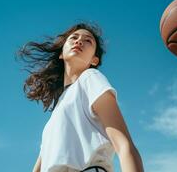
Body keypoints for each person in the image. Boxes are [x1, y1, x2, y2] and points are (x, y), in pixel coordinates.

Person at [17, 22, 144, 172]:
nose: (79, 41)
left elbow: (124, 145)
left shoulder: (90, 78)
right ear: (61, 54)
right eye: (74, 38)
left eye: (88, 40)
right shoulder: (55, 116)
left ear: (94, 60)